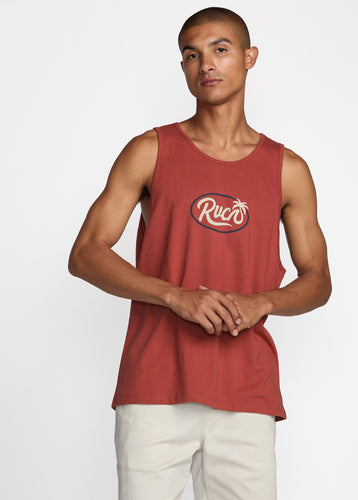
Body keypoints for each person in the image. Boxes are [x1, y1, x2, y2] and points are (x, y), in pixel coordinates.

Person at [68, 6, 332, 500]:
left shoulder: (287, 169)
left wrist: (262, 302)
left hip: (247, 392)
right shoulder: (150, 150)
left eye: (220, 49)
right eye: (191, 55)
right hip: (155, 386)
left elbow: (318, 279)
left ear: (250, 57)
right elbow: (85, 253)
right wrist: (176, 296)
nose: (205, 64)